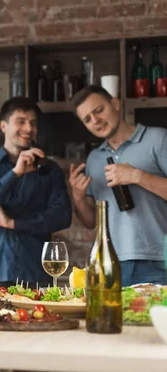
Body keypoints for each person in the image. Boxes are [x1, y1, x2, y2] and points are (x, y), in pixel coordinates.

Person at [0, 97, 72, 290]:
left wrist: (14, 224)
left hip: (37, 273)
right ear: (4, 126)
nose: (28, 128)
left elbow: (63, 216)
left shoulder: (49, 169)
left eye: (33, 123)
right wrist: (14, 174)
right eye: (21, 121)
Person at [69, 85, 167, 286]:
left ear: (115, 104)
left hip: (158, 260)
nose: (96, 121)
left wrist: (136, 175)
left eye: (99, 110)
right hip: (110, 264)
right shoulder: (94, 159)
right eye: (87, 119)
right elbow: (90, 222)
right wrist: (78, 197)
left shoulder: (158, 139)